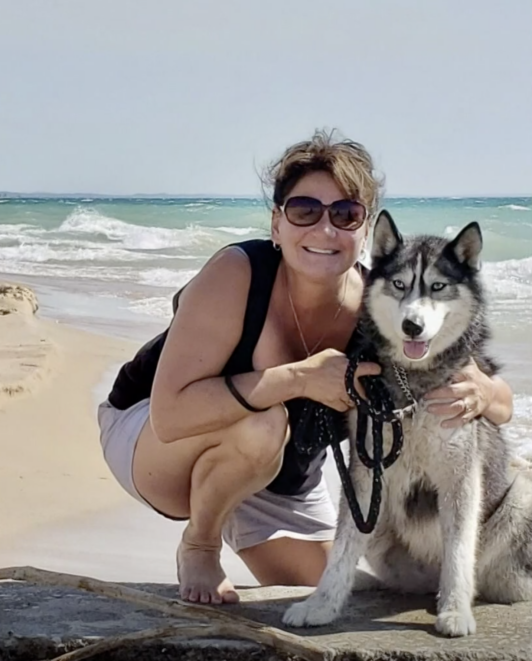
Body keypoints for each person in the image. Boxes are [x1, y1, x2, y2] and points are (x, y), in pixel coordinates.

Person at [97, 129, 513, 605]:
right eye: (303, 211)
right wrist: (298, 378)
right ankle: (200, 543)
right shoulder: (237, 274)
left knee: (358, 594)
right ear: (277, 224)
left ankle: (237, 499)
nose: (325, 229)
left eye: (346, 214)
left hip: (283, 481)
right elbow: (169, 419)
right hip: (157, 442)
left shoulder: (384, 308)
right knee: (263, 425)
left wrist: (487, 394)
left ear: (367, 233)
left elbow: (494, 399)